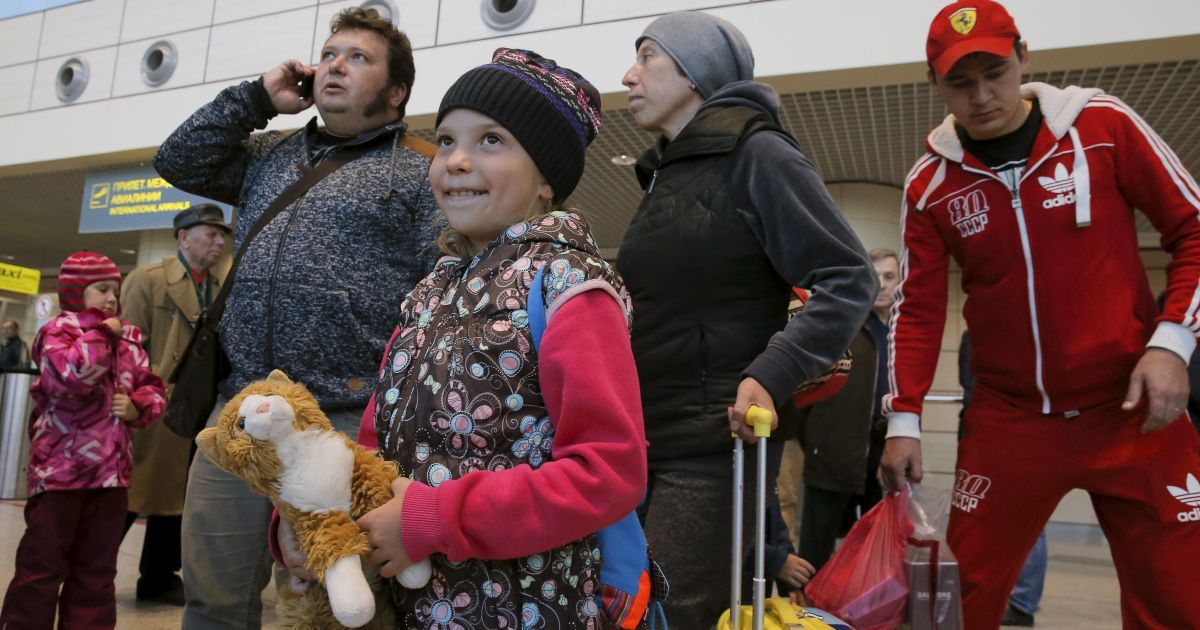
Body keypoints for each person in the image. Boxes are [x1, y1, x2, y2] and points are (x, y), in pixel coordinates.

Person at [274, 48, 647, 628]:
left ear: (547, 177)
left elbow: (608, 472)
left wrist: (433, 520)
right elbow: (373, 446)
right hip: (411, 605)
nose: (456, 160)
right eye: (446, 140)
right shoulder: (430, 291)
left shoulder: (571, 288)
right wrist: (316, 517)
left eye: (491, 140)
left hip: (526, 605)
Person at [880, 1, 1200, 627]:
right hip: (1010, 421)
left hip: (1132, 409)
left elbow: (1192, 227)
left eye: (994, 73)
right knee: (958, 601)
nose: (981, 96)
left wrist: (1171, 342)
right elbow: (916, 308)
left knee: (1177, 594)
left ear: (1023, 57)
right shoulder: (929, 183)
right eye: (959, 82)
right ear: (934, 84)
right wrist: (904, 419)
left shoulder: (1104, 127)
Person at [153, 8, 443, 627]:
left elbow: (439, 295)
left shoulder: (421, 172)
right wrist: (258, 97)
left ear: (396, 92)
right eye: (330, 53)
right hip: (240, 411)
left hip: (342, 418)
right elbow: (179, 159)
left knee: (335, 607)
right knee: (212, 599)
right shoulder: (269, 154)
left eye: (359, 58)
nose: (336, 64)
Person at [616, 11, 877, 626]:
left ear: (696, 71)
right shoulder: (668, 174)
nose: (629, 75)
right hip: (648, 439)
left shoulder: (757, 152)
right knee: (634, 609)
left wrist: (773, 372)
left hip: (711, 445)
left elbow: (848, 277)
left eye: (648, 56)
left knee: (674, 614)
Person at [0, 251, 167, 628]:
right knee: (40, 569)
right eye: (102, 289)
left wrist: (139, 407)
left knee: (96, 573)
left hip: (111, 478)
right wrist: (102, 332)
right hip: (59, 476)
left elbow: (152, 386)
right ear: (76, 293)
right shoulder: (56, 332)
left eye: (115, 290)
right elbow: (72, 377)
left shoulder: (129, 339)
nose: (112, 298)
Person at [117, 204, 231, 605]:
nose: (219, 241)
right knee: (134, 491)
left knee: (177, 496)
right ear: (184, 237)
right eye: (210, 233)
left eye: (222, 235)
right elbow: (128, 346)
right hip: (152, 403)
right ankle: (93, 565)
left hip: (197, 405)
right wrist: (134, 399)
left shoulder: (218, 286)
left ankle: (159, 576)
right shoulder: (147, 280)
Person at [958, 330, 1046, 627]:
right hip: (1004, 436)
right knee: (997, 523)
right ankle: (1013, 600)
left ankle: (1020, 601)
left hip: (1007, 437)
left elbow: (974, 388)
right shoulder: (978, 335)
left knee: (1022, 522)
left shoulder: (990, 336)